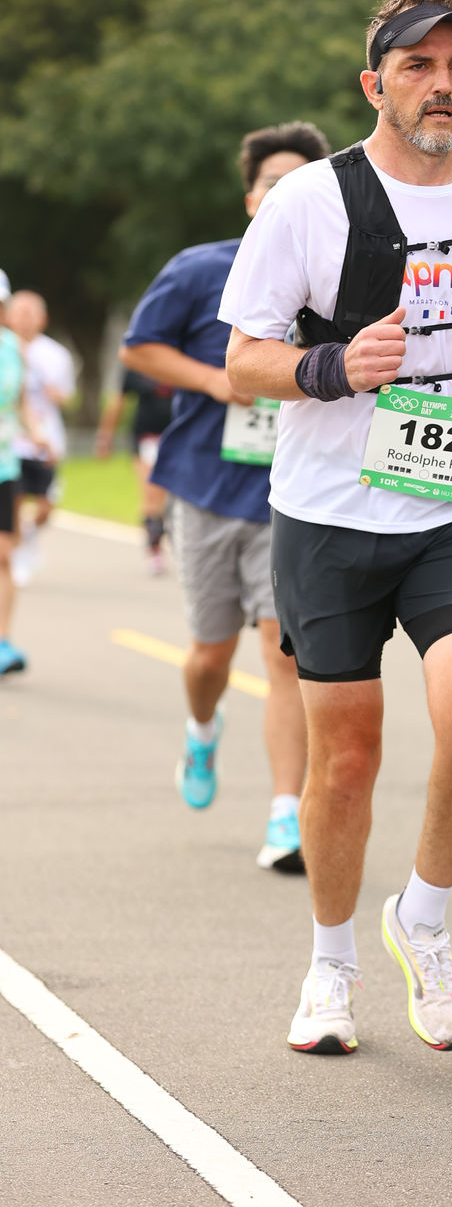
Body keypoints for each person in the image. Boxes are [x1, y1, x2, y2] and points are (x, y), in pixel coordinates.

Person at [221, 0, 452, 1054]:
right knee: (346, 760)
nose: (441, 85)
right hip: (328, 511)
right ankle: (330, 965)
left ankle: (423, 917)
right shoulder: (307, 203)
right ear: (375, 84)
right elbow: (243, 359)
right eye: (418, 66)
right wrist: (329, 366)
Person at [120, 121, 331, 872]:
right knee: (210, 656)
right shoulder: (200, 268)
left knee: (284, 658)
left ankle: (285, 817)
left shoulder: (337, 275)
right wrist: (216, 378)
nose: (284, 194)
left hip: (294, 496)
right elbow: (139, 347)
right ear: (250, 197)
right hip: (207, 489)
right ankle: (203, 730)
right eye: (273, 182)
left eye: (299, 183)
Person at [6, 291, 77, 586]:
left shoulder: (56, 355)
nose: (24, 319)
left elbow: (68, 397)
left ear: (42, 319)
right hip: (12, 445)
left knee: (45, 508)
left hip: (46, 440)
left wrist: (55, 396)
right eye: (18, 312)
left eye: (30, 313)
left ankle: (29, 535)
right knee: (15, 501)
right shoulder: (6, 349)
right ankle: (16, 555)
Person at [0, 271, 50, 674]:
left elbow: (20, 402)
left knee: (4, 554)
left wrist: (37, 432)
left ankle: (2, 642)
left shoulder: (12, 347)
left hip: (4, 464)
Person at [95, 367, 173, 574]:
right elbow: (118, 403)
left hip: (176, 438)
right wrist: (105, 437)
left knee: (172, 498)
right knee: (152, 494)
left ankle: (172, 537)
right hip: (147, 438)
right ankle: (155, 550)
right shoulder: (137, 367)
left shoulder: (186, 358)